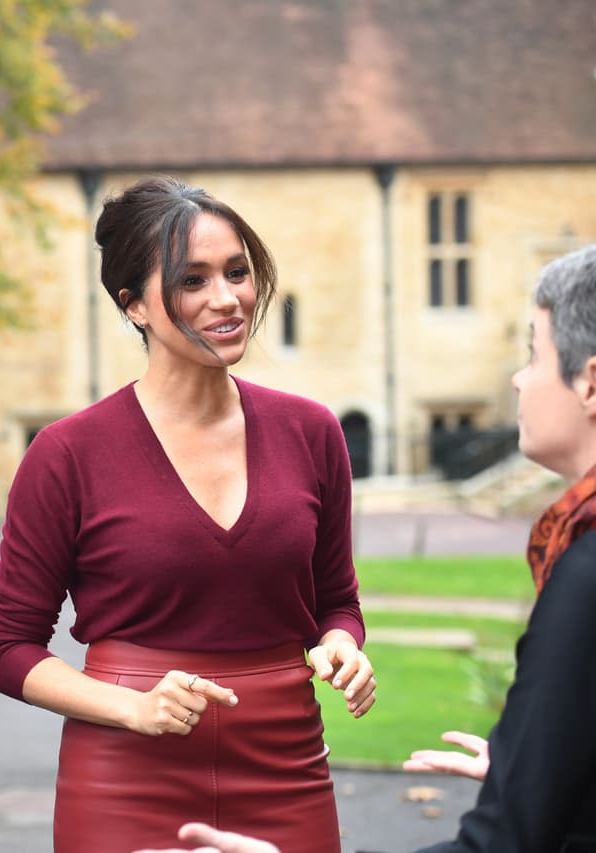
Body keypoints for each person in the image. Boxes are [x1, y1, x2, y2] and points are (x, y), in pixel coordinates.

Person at [135, 243, 596, 852]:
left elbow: (503, 845)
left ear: (589, 383)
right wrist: (540, 772)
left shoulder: (585, 571)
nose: (518, 378)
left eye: (534, 356)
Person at [0, 176, 376, 853]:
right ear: (134, 306)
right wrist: (130, 706)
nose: (227, 299)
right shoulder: (67, 453)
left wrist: (341, 643)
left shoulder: (312, 432)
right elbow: (8, 649)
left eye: (237, 272)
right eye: (192, 281)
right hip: (124, 775)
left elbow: (336, 600)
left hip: (287, 768)